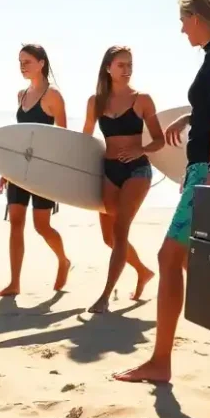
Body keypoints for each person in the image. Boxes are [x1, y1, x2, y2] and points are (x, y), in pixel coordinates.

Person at [113, 0, 210, 388]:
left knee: (169, 256)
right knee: (196, 267)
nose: (181, 30)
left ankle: (161, 362)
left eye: (183, 21)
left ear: (197, 17)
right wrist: (189, 119)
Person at [81, 46, 162, 314]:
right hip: (110, 171)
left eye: (130, 65)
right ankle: (143, 271)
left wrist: (141, 150)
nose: (127, 70)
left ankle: (104, 296)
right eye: (121, 65)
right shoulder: (95, 102)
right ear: (108, 68)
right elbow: (85, 139)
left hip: (137, 170)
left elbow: (159, 140)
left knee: (120, 230)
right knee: (109, 237)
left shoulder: (142, 100)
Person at [0, 44, 72, 297]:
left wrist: (59, 174)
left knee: (41, 225)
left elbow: (63, 139)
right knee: (16, 223)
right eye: (20, 62)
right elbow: (20, 138)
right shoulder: (21, 95)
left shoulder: (53, 96)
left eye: (27, 61)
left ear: (41, 63)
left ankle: (63, 260)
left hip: (43, 172)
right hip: (19, 170)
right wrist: (5, 171)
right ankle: (14, 283)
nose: (22, 66)